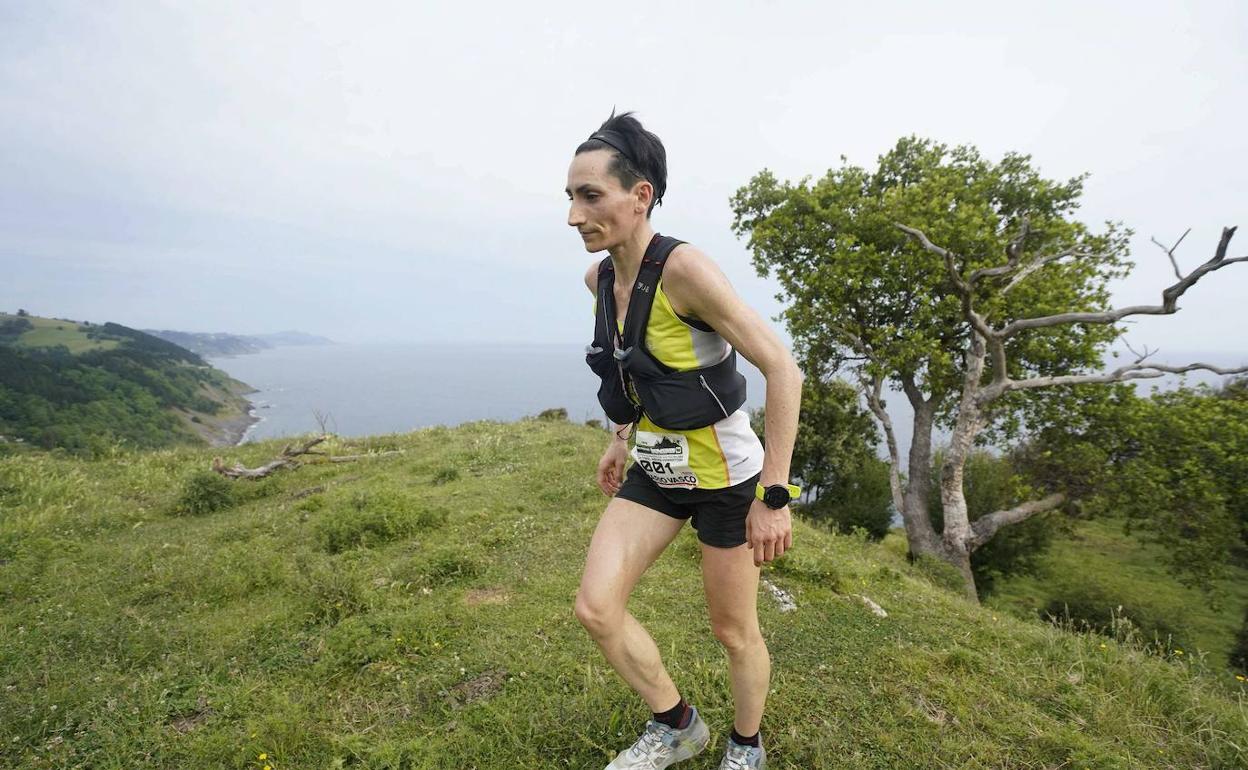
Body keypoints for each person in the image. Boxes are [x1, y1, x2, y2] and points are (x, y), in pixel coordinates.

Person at [567, 111, 802, 770]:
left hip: (728, 482)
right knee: (596, 607)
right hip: (656, 469)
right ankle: (676, 725)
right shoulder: (599, 281)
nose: (574, 215)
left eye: (591, 196)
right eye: (570, 197)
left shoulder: (686, 271)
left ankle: (746, 746)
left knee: (733, 630)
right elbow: (630, 366)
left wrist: (774, 495)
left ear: (639, 195)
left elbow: (781, 368)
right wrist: (620, 437)